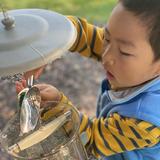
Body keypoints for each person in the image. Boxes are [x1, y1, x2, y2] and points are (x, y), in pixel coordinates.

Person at [16, 0, 160, 159]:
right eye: (106, 38)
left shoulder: (146, 121)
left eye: (125, 52)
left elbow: (90, 139)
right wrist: (48, 44)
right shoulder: (131, 52)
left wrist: (58, 106)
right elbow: (81, 34)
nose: (106, 57)